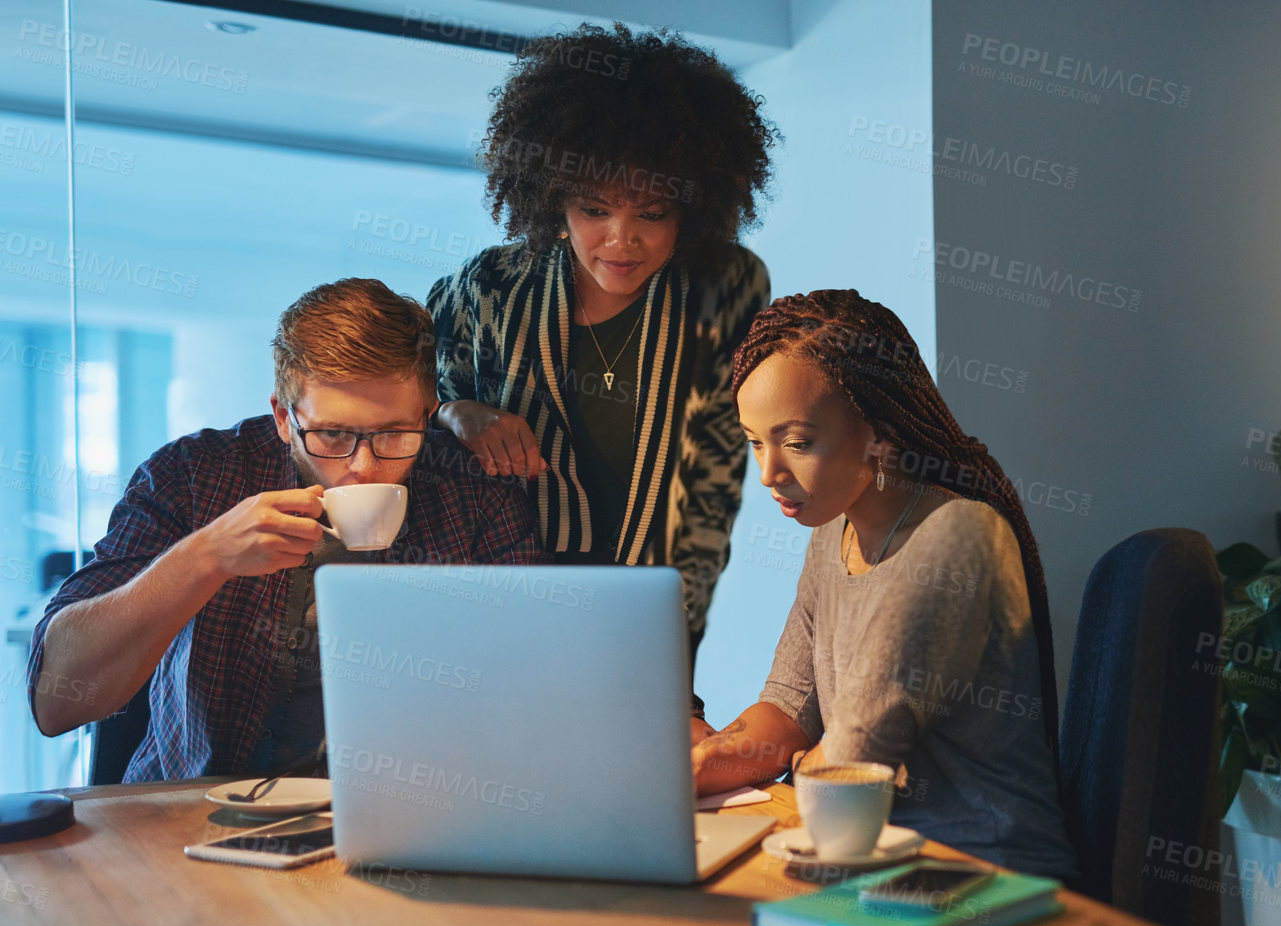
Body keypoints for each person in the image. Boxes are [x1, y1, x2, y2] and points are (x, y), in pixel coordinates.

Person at [27, 278, 544, 782]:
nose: (362, 466)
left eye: (394, 433)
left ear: (428, 417)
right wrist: (204, 558)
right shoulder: (194, 475)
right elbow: (55, 701)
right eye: (332, 433)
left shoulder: (473, 495)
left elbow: (532, 696)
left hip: (404, 808)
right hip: (197, 815)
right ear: (282, 416)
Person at [691, 291, 1079, 880]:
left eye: (795, 442)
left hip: (978, 871)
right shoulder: (831, 535)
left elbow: (846, 760)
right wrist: (693, 764)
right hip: (873, 857)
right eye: (754, 442)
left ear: (879, 432)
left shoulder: (957, 535)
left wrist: (800, 760)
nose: (768, 472)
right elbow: (787, 712)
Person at [428, 22, 776, 669]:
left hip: (644, 622)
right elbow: (405, 420)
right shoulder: (488, 287)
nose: (621, 241)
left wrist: (671, 649)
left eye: (651, 213)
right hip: (496, 616)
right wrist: (459, 414)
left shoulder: (723, 287)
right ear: (553, 199)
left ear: (692, 210)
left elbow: (712, 489)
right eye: (595, 209)